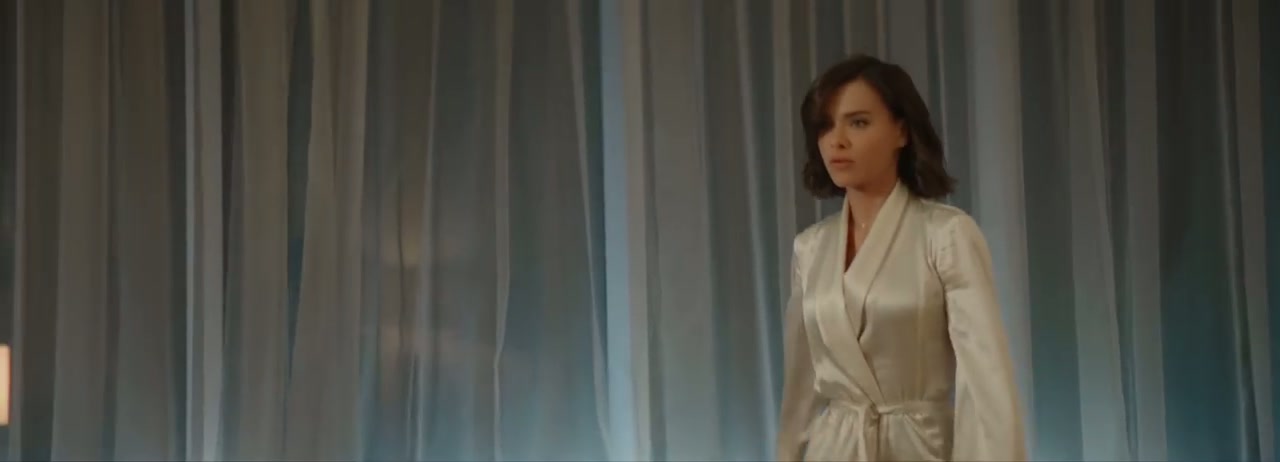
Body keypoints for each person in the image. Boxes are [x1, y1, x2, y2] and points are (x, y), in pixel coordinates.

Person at [775, 54, 1026, 462]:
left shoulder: (946, 236)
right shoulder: (810, 249)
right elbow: (800, 391)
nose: (836, 140)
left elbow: (987, 382)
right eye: (825, 125)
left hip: (919, 448)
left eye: (858, 123)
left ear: (901, 131)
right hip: (834, 450)